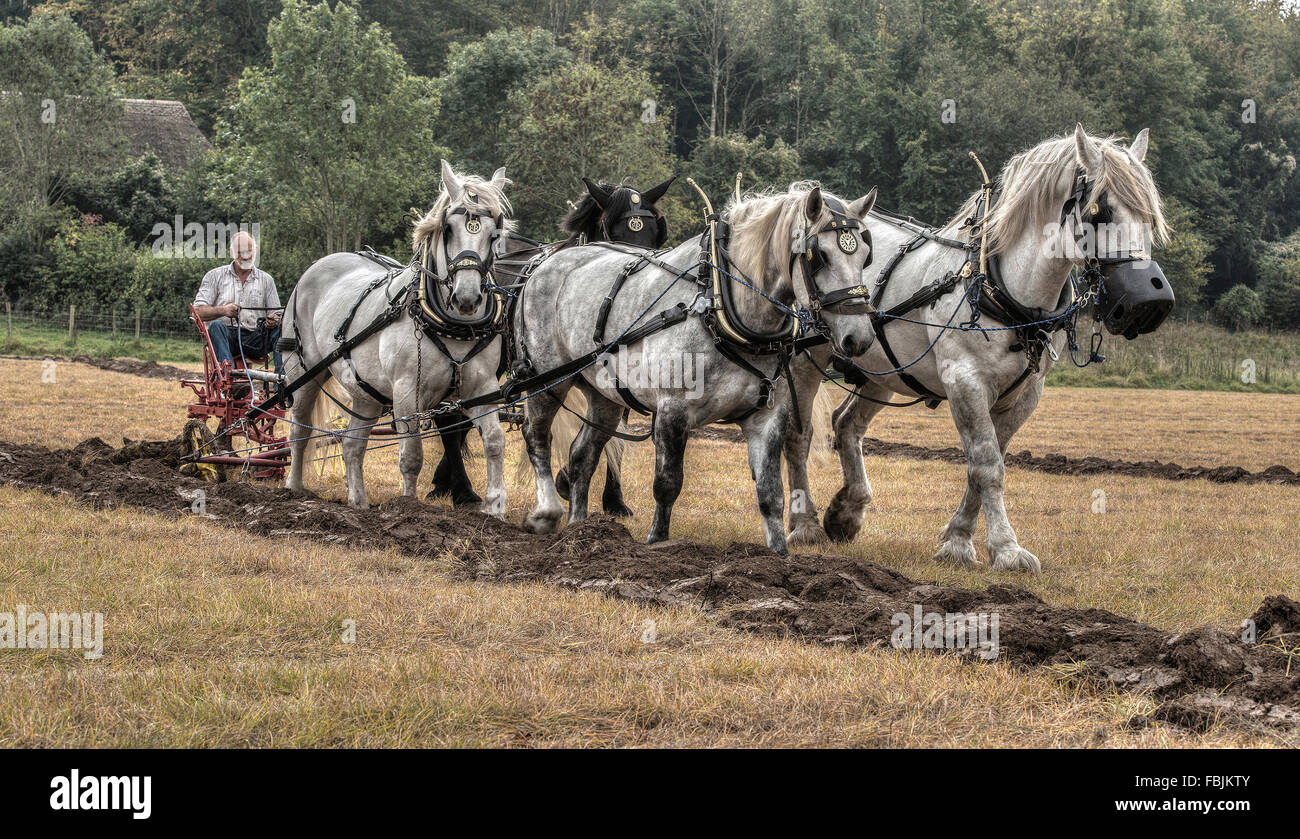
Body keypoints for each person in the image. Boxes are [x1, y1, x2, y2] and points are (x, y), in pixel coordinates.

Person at [192, 231, 283, 377]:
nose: (246, 256)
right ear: (232, 252)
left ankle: (282, 385)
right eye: (240, 252)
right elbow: (197, 312)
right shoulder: (215, 276)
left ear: (256, 250)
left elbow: (277, 313)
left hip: (256, 338)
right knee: (216, 326)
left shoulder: (266, 280)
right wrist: (223, 310)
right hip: (226, 338)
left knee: (281, 330)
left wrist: (274, 319)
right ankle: (230, 379)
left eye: (249, 251)